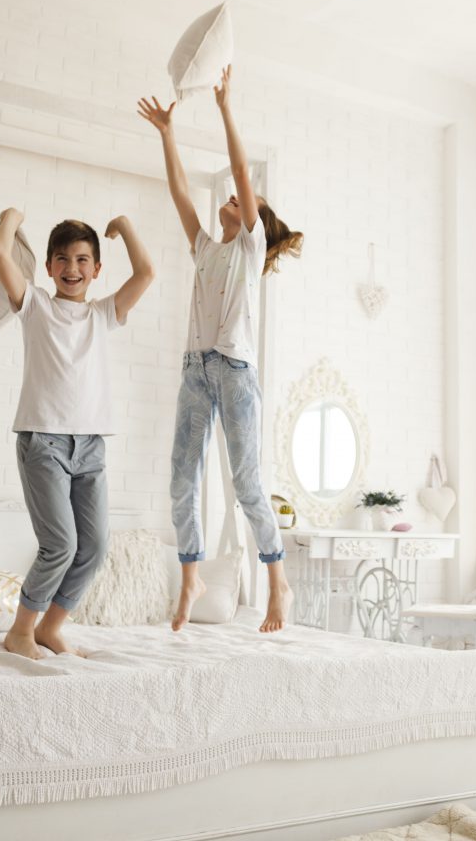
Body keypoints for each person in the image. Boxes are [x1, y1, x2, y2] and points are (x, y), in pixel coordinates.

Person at [138, 65, 303, 633]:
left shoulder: (249, 248)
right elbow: (181, 193)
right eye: (231, 198)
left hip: (234, 372)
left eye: (239, 198)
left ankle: (277, 581)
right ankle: (191, 576)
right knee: (180, 480)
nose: (230, 199)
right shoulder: (207, 247)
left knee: (248, 483)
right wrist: (167, 134)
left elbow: (238, 168)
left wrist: (226, 107)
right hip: (195, 372)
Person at [0, 209, 154, 658]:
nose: (72, 269)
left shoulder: (104, 315)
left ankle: (51, 627)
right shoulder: (35, 305)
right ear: (48, 267)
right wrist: (11, 218)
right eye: (62, 259)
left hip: (92, 446)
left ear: (97, 269)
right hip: (43, 442)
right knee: (60, 544)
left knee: (96, 546)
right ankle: (20, 630)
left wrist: (125, 226)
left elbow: (146, 272)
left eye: (83, 260)